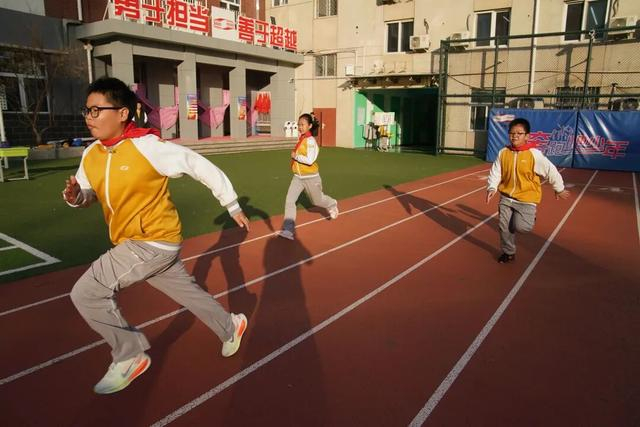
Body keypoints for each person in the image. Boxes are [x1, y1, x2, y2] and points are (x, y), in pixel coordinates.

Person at [63, 77, 250, 394]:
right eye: (87, 110)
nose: (89, 117)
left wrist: (230, 202)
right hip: (137, 242)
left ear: (122, 113)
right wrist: (76, 196)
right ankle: (230, 326)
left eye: (97, 110)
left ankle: (129, 355)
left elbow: (196, 164)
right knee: (188, 293)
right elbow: (87, 193)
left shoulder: (147, 147)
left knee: (87, 292)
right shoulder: (91, 154)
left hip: (152, 240)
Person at [486, 117, 570, 263]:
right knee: (504, 227)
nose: (515, 136)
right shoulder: (503, 152)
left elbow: (550, 170)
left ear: (527, 136)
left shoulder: (534, 154)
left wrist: (559, 188)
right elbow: (496, 171)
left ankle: (529, 218)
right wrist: (492, 187)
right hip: (506, 197)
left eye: (519, 133)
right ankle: (508, 252)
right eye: (512, 133)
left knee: (522, 227)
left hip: (526, 199)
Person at [276, 113, 338, 240]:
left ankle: (332, 204)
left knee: (317, 201)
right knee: (290, 200)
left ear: (309, 126)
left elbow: (310, 160)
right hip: (298, 177)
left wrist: (296, 156)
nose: (300, 127)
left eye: (302, 124)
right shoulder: (302, 139)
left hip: (311, 177)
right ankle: (288, 230)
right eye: (299, 124)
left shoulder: (310, 141)